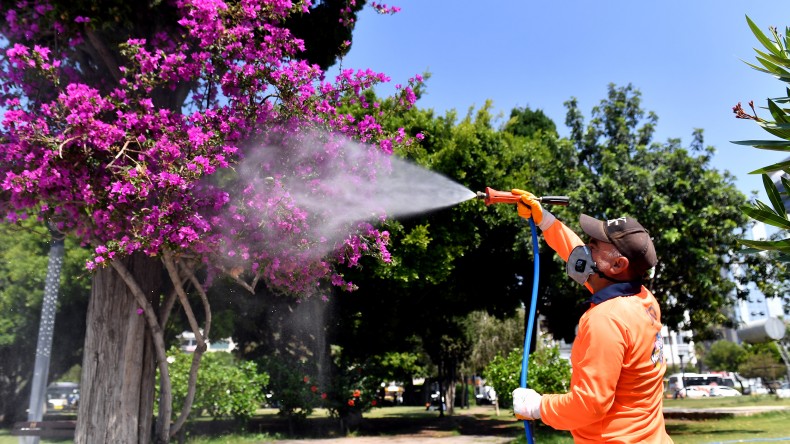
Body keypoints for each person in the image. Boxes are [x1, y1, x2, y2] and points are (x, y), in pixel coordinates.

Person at [510, 189, 672, 443]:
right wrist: (546, 220)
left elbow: (589, 405)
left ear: (618, 265)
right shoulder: (642, 300)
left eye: (593, 246)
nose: (584, 250)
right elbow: (577, 254)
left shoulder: (606, 319)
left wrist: (537, 406)